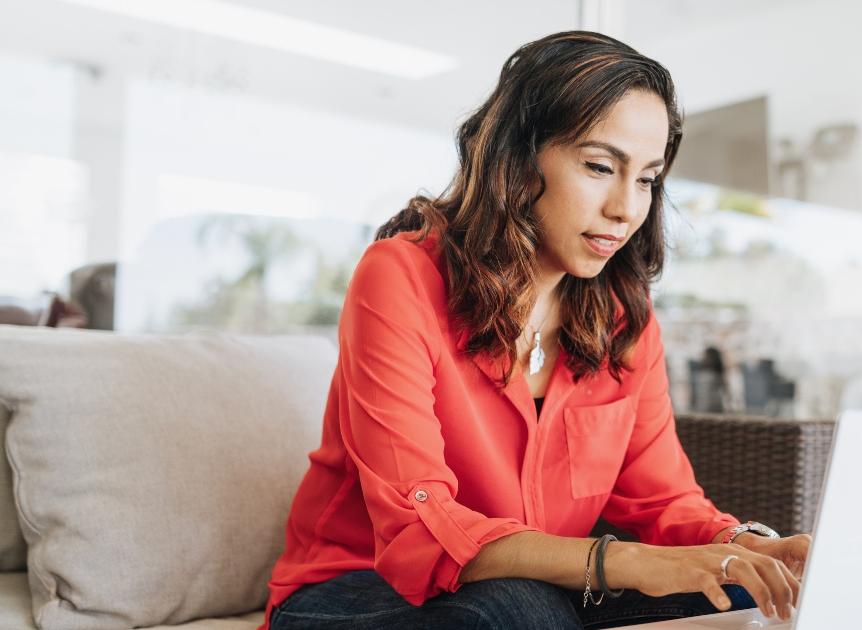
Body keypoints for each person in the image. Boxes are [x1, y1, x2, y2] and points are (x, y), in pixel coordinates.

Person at [262, 30, 810, 630]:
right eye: (601, 167)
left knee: (743, 596)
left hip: (544, 588)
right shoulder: (400, 277)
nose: (627, 207)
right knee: (518, 608)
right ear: (519, 160)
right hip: (357, 589)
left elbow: (662, 499)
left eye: (648, 178)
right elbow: (418, 524)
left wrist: (745, 548)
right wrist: (620, 561)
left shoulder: (625, 319)